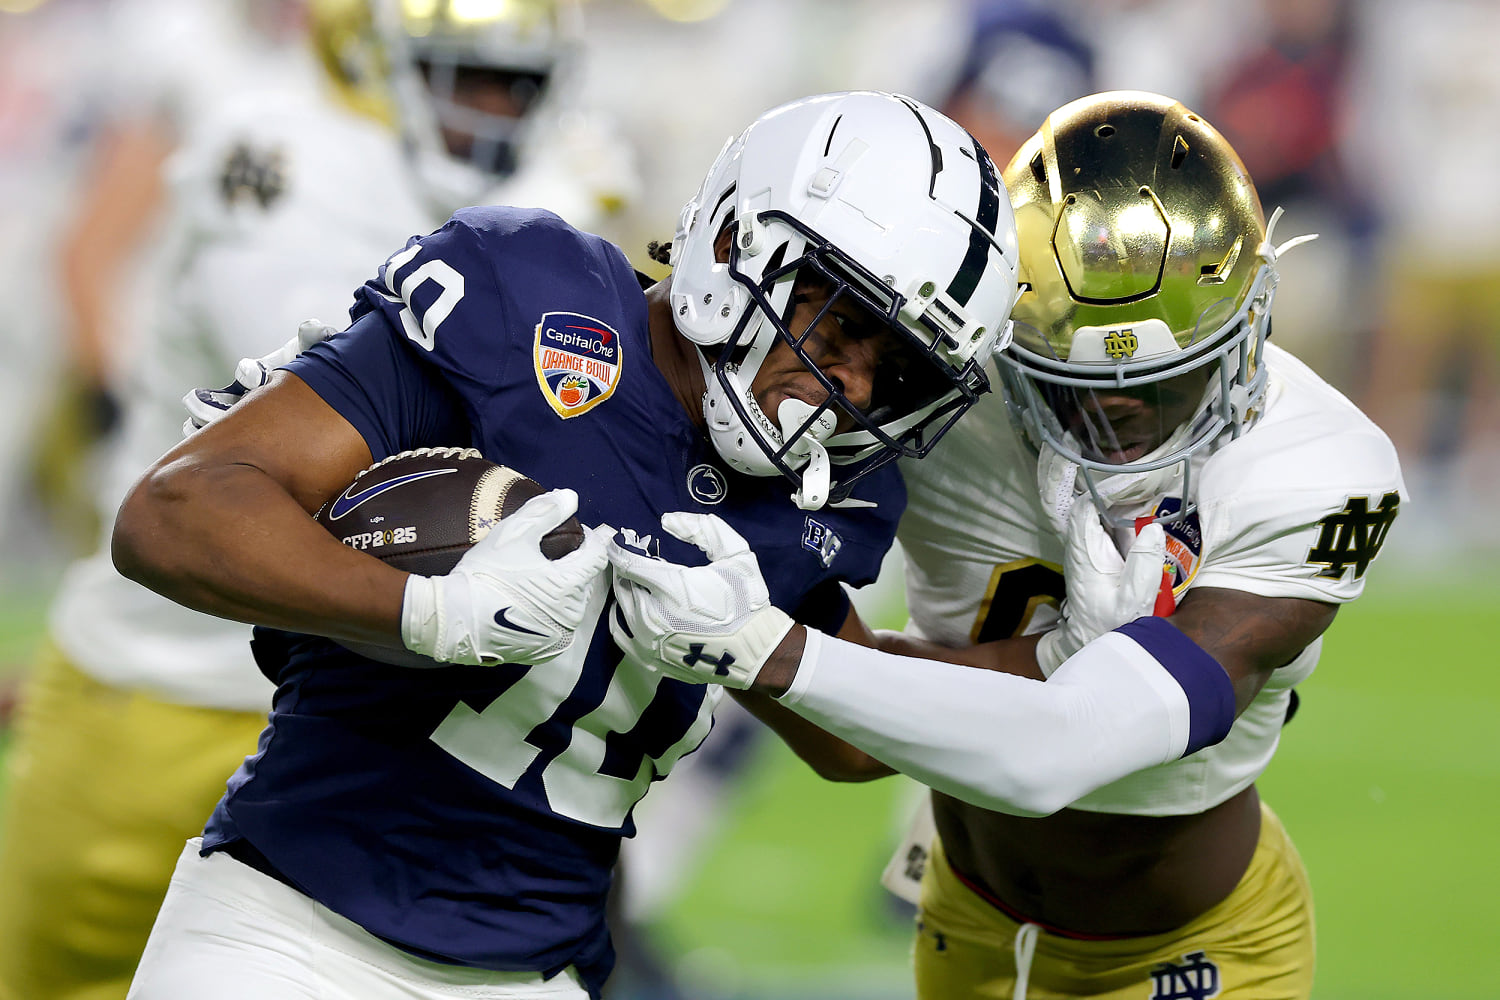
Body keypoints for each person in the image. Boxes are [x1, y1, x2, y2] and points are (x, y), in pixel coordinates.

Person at [110, 88, 1019, 998]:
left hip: (544, 975)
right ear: (741, 244)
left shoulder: (826, 497)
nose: (850, 385)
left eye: (895, 368)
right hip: (289, 933)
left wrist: (1074, 654)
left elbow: (851, 728)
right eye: (844, 323)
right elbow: (175, 511)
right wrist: (425, 611)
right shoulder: (527, 299)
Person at [607, 91, 1405, 1000]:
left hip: (1194, 948)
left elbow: (1062, 748)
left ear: (1246, 332)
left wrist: (773, 649)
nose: (1120, 420)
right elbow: (853, 745)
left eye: (1166, 382)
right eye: (1075, 387)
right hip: (964, 912)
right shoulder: (936, 387)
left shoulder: (1315, 470)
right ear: (1002, 343)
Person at [0, 2, 638, 998]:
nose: (484, 110)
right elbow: (342, 443)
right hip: (173, 680)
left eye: (507, 83)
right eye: (458, 74)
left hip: (387, 711)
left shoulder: (550, 174)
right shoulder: (272, 148)